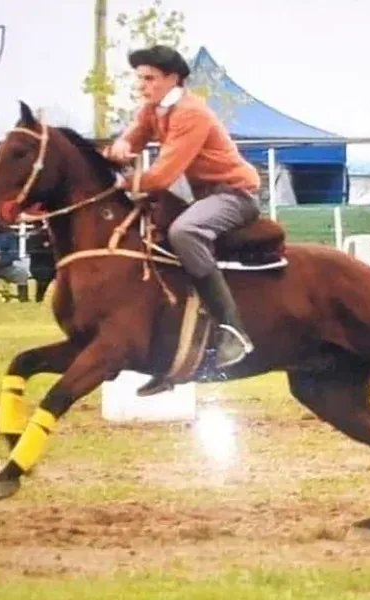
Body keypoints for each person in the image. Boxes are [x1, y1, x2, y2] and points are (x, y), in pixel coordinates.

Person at [104, 44, 259, 370]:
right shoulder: (152, 109)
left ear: (173, 78)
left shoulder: (191, 113)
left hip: (235, 195)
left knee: (185, 231)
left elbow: (162, 175)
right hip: (205, 197)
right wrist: (121, 144)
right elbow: (134, 134)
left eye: (149, 78)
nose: (141, 85)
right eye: (140, 78)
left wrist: (123, 183)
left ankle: (234, 331)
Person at [26, 222, 56, 303]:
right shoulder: (33, 237)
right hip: (40, 265)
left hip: (55, 264)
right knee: (43, 279)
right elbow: (31, 251)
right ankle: (39, 298)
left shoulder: (56, 236)